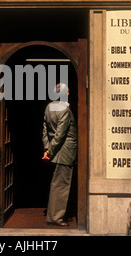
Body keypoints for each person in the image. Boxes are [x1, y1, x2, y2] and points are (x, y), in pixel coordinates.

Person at [42, 83, 78, 226]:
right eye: (67, 92)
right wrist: (50, 152)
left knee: (56, 184)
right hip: (64, 152)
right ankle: (55, 217)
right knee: (61, 185)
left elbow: (45, 131)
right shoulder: (64, 108)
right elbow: (60, 134)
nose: (69, 94)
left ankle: (54, 215)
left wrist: (47, 149)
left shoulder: (49, 107)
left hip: (55, 151)